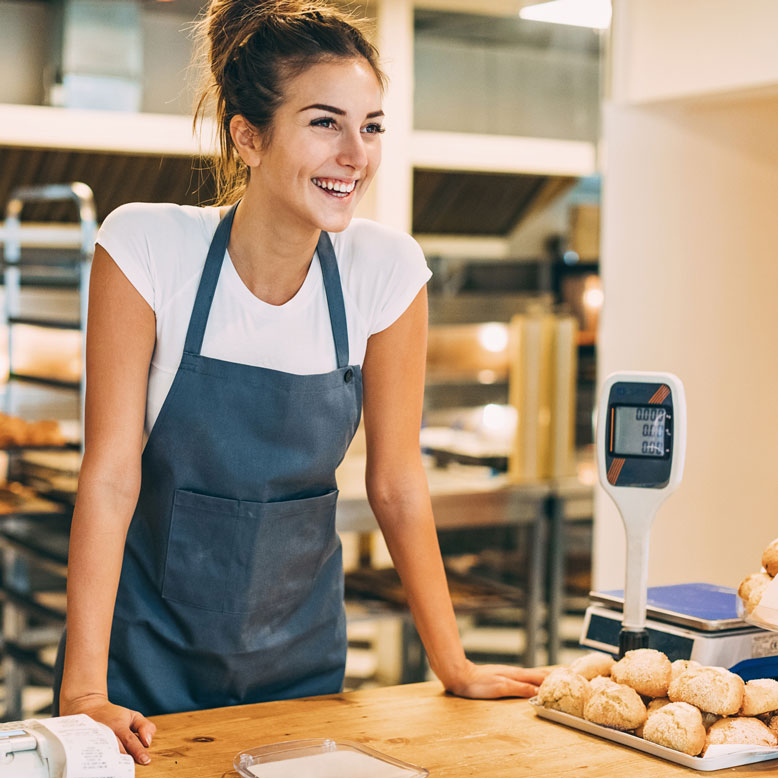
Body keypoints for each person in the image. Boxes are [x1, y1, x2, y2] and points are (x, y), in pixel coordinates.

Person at [54, 0, 547, 765]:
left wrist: (454, 663)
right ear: (247, 136)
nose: (356, 152)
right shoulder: (146, 249)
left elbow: (397, 482)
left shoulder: (386, 272)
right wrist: (84, 692)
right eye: (325, 123)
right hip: (145, 665)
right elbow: (112, 476)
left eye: (372, 125)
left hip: (302, 663)